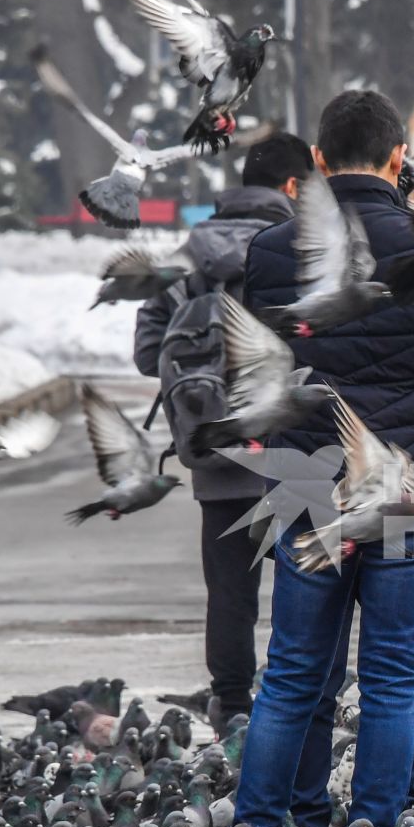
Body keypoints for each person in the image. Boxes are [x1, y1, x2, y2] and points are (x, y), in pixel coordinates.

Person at [231, 91, 414, 827]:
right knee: (393, 675)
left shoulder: (269, 252)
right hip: (409, 486)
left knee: (295, 669)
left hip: (308, 483)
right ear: (399, 160)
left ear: (319, 161)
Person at [132, 132, 313, 725]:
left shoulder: (185, 258)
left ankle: (231, 706)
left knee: (230, 596)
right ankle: (295, 708)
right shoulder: (299, 251)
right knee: (301, 587)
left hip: (215, 459)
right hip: (290, 452)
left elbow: (146, 354)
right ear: (292, 186)